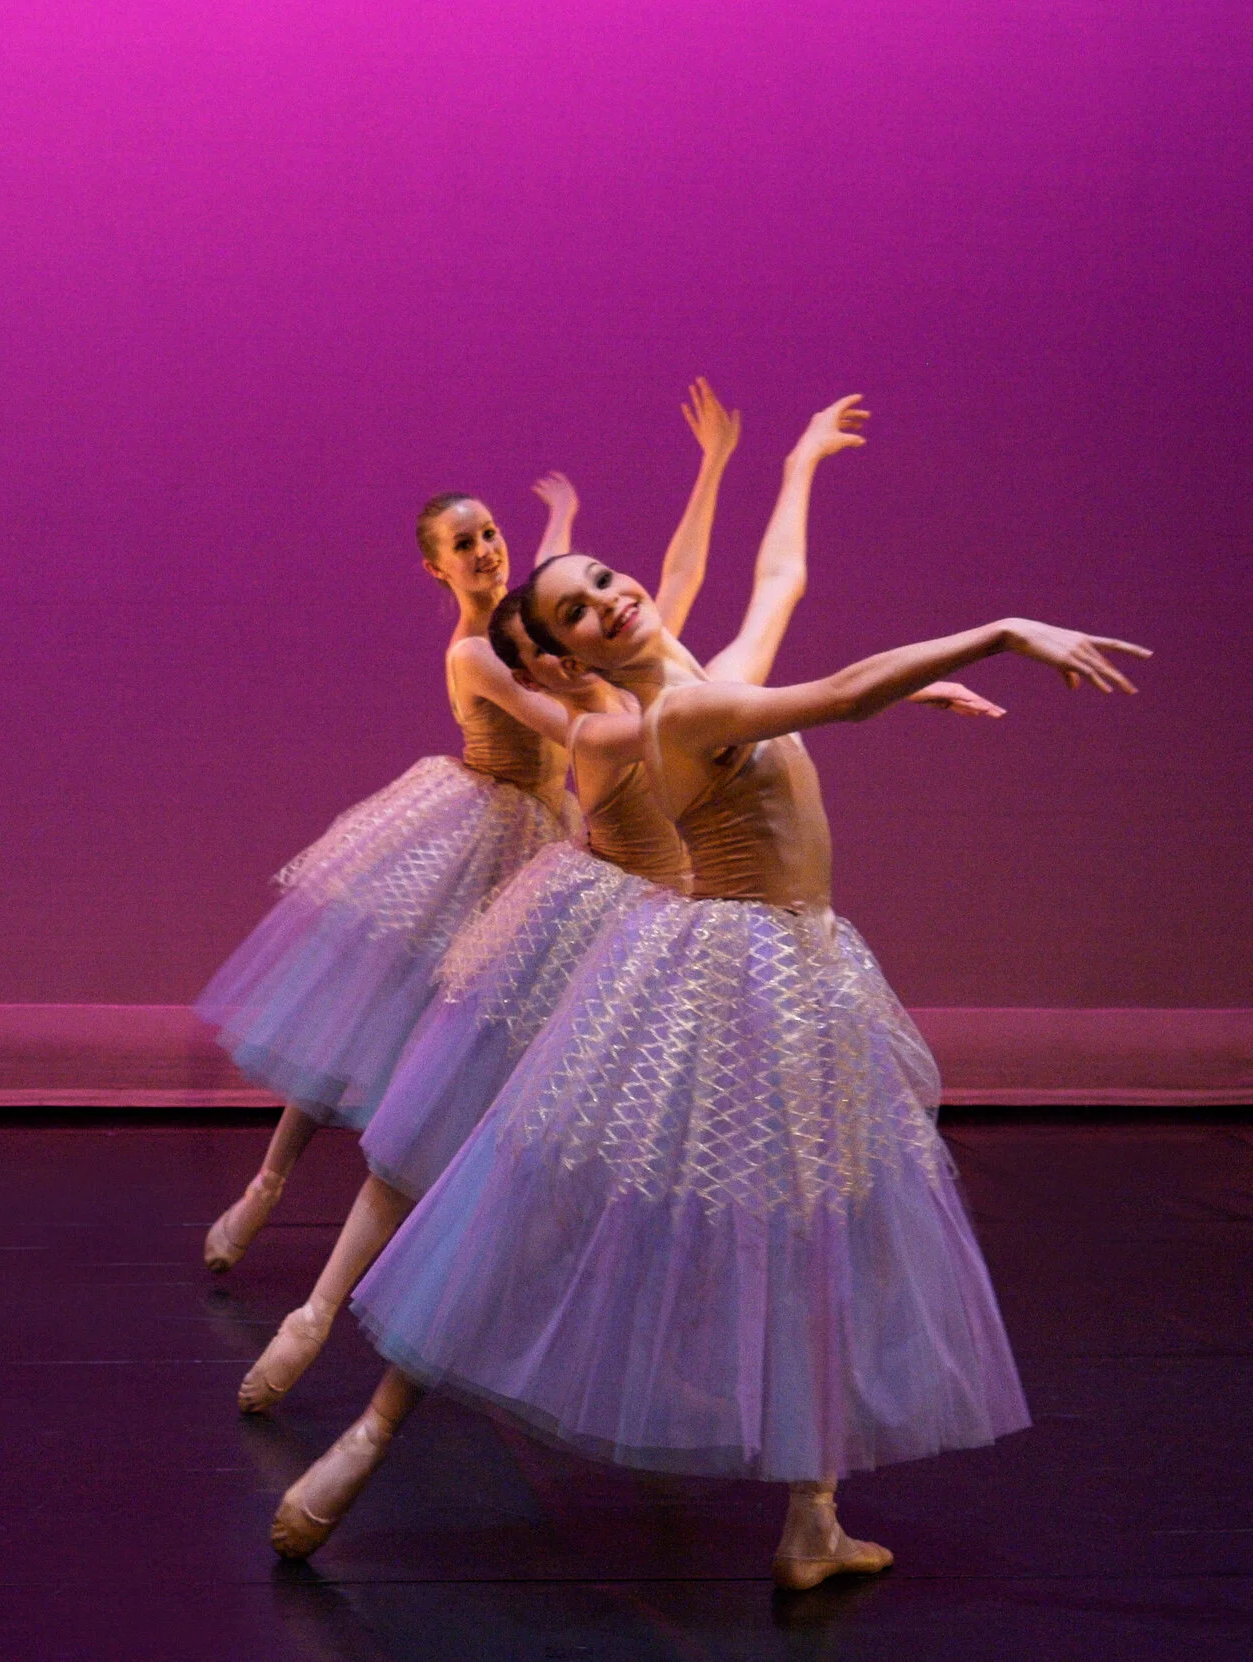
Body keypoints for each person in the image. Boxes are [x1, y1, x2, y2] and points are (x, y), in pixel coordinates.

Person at [276, 541, 1143, 1584]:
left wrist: (794, 471)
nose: (608, 601)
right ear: (565, 661)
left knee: (819, 1232)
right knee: (545, 1204)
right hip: (735, 977)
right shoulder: (676, 715)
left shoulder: (701, 685)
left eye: (604, 580)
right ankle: (367, 1436)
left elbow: (780, 590)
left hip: (801, 971)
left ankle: (812, 1520)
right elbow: (840, 693)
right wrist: (1000, 632)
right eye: (578, 611)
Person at [195, 383, 741, 1272]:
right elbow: (564, 716)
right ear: (435, 569)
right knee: (365, 1023)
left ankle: (457, 1237)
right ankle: (267, 1186)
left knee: (486, 1047)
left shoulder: (532, 615)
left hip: (545, 837)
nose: (486, 550)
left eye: (489, 534)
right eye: (465, 544)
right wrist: (662, 720)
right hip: (472, 840)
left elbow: (623, 589)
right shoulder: (476, 654)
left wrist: (585, 508)